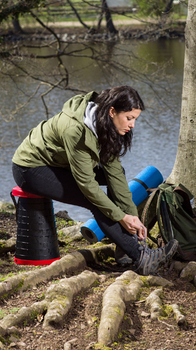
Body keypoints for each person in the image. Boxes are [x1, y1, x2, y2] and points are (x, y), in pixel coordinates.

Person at [12, 86, 178, 275]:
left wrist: (133, 217)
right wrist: (121, 217)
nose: (132, 125)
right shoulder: (76, 130)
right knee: (94, 200)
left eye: (135, 119)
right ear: (112, 111)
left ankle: (128, 248)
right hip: (30, 169)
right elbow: (88, 186)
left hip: (59, 164)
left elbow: (115, 174)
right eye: (129, 118)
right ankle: (142, 258)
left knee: (115, 176)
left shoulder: (106, 123)